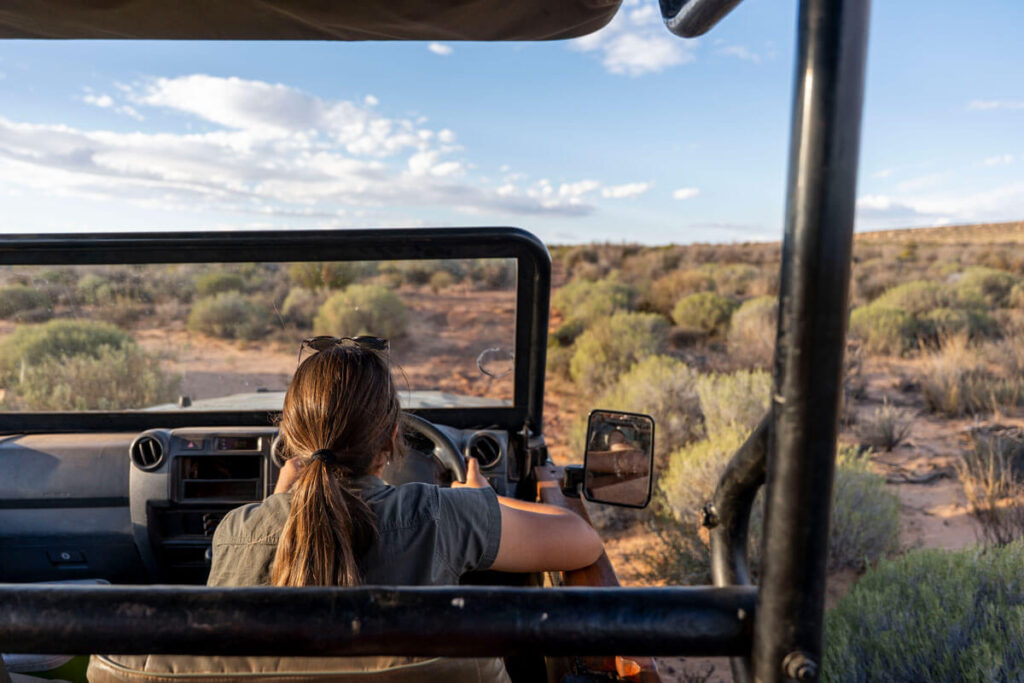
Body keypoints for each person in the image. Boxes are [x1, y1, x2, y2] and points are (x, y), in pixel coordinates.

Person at [208, 339, 603, 589]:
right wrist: (481, 498)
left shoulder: (234, 532)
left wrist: (279, 499)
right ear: (391, 438)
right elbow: (583, 541)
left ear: (293, 440)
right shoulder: (439, 516)